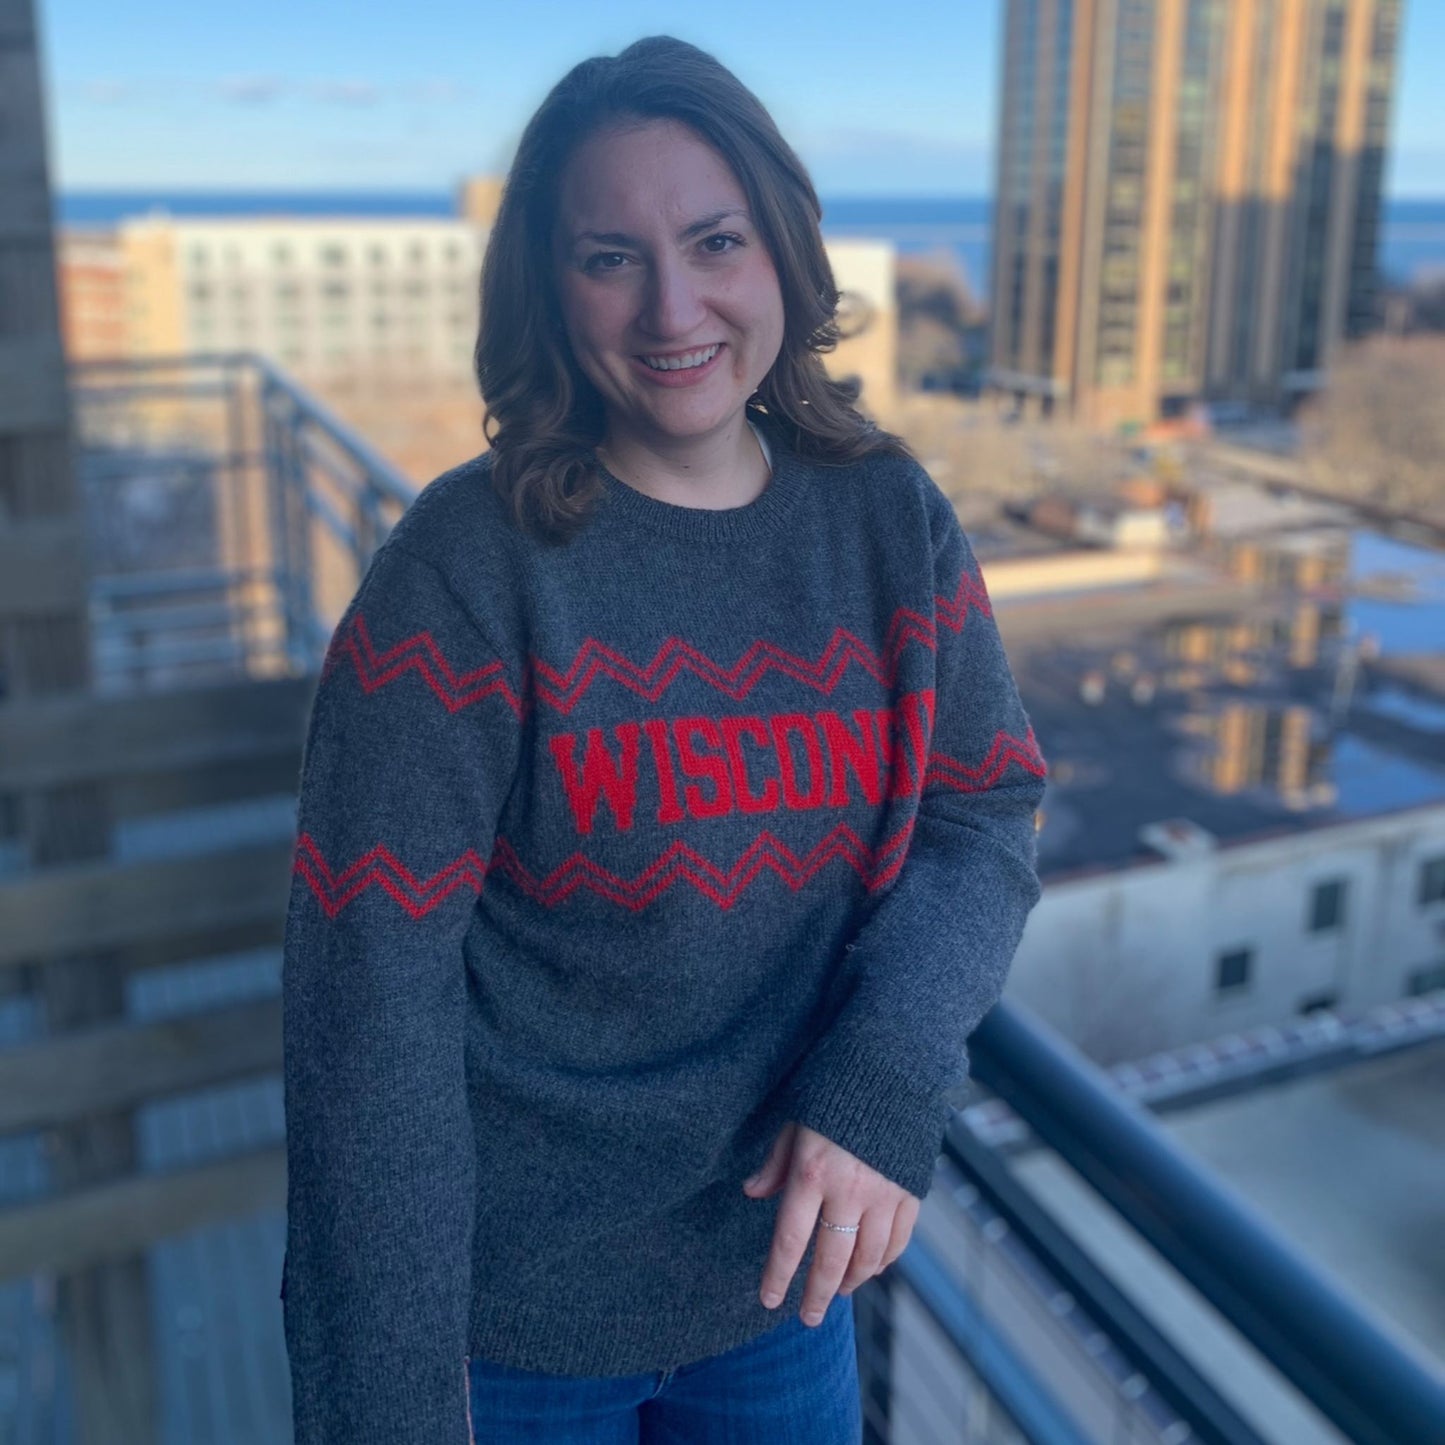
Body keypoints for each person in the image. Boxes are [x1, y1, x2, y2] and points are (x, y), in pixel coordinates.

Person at [280, 34, 1048, 1445]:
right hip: (504, 1329)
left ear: (784, 255)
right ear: (548, 289)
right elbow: (364, 1008)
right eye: (606, 256)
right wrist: (383, 1403)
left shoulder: (887, 519)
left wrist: (886, 1080)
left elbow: (981, 813)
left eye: (713, 240)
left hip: (773, 1305)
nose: (671, 305)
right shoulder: (464, 570)